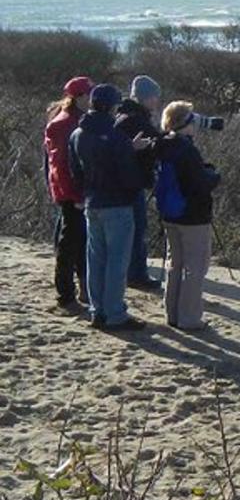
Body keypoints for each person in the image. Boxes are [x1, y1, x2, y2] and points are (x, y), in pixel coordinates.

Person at [68, 84, 154, 331]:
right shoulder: (115, 137)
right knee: (117, 261)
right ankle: (115, 313)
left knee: (95, 259)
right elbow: (128, 175)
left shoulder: (77, 134)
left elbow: (75, 171)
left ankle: (97, 311)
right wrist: (135, 156)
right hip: (117, 204)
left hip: (92, 203)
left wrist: (87, 191)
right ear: (110, 106)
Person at [156, 102, 221, 330]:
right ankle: (190, 319)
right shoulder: (186, 149)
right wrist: (214, 175)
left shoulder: (163, 144)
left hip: (170, 214)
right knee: (195, 267)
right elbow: (199, 184)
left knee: (175, 264)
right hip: (192, 216)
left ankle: (172, 314)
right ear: (185, 123)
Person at [44, 76, 94, 309]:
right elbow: (59, 166)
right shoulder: (62, 124)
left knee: (80, 241)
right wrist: (73, 196)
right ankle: (65, 294)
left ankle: (82, 289)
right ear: (79, 97)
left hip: (79, 192)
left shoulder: (77, 120)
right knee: (69, 243)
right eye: (89, 93)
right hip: (71, 194)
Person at [114, 75, 164, 291]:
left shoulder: (125, 115)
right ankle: (136, 274)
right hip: (131, 183)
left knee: (132, 229)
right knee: (136, 228)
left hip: (127, 182)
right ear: (145, 98)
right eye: (154, 97)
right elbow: (159, 144)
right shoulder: (135, 120)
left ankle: (134, 272)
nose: (157, 101)